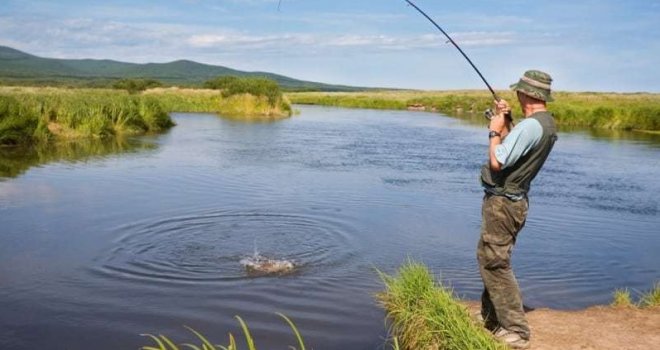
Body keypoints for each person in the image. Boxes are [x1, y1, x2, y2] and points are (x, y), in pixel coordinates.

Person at [477, 70, 558, 349]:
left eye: (519, 91)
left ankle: (516, 330)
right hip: (512, 202)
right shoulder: (543, 124)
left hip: (504, 204)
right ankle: (491, 317)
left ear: (528, 94)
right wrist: (508, 120)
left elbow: (499, 160)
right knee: (489, 256)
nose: (516, 94)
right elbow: (516, 148)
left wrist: (493, 129)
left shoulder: (532, 126)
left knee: (495, 261)